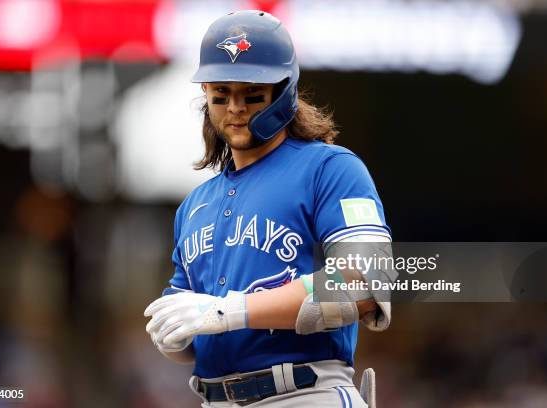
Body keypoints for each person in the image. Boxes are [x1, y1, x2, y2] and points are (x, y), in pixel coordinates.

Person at [144, 10, 393, 408]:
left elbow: (366, 283)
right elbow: (196, 325)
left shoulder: (329, 168)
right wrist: (176, 337)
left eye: (252, 94)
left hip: (305, 393)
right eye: (221, 95)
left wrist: (230, 310)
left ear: (284, 92)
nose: (236, 108)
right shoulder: (195, 205)